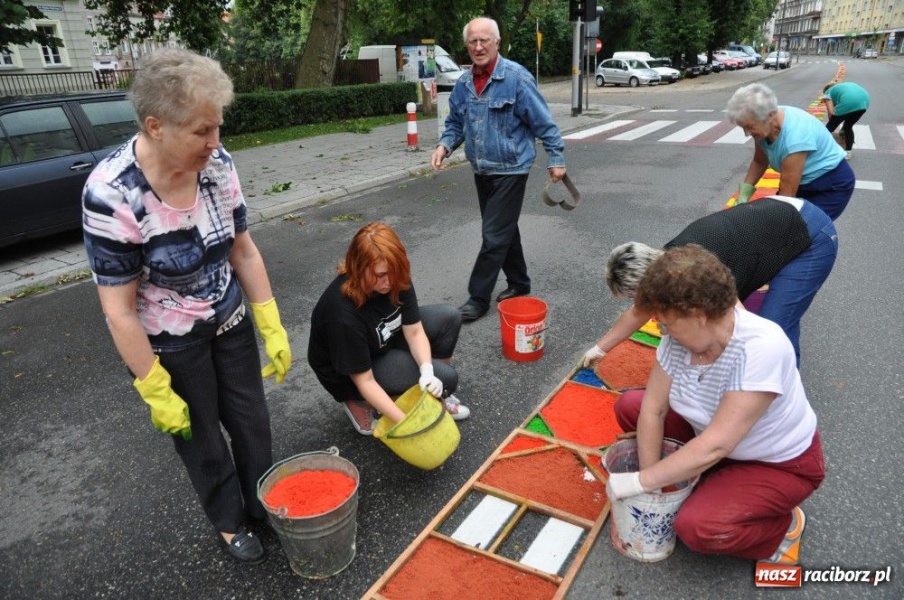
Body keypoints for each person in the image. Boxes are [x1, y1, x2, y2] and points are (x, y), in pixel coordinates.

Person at [82, 48, 292, 565]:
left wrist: (270, 319)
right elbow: (120, 310)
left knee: (251, 422)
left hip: (228, 314)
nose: (215, 143)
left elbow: (242, 248)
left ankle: (262, 506)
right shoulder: (111, 195)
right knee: (202, 439)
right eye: (201, 131)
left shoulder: (217, 167)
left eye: (217, 127)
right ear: (156, 126)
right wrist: (153, 384)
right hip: (170, 340)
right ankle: (229, 522)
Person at [605, 245, 825, 564]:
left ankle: (780, 527)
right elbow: (654, 409)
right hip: (716, 440)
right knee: (633, 407)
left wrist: (640, 481)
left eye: (667, 323)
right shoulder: (680, 339)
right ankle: (706, 481)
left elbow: (715, 445)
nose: (662, 331)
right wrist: (653, 490)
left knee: (698, 528)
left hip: (775, 464)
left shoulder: (761, 348)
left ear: (700, 315)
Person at [583, 196, 837, 365]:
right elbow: (638, 311)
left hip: (810, 234)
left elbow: (739, 325)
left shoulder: (700, 272)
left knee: (774, 329)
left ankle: (780, 399)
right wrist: (599, 349)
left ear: (651, 282)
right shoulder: (665, 260)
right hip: (774, 217)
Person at [430, 16, 566, 322]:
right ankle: (519, 282)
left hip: (511, 168)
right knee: (504, 230)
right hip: (482, 169)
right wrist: (444, 146)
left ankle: (478, 298)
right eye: (472, 42)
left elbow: (544, 122)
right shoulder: (464, 84)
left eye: (484, 40)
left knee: (493, 235)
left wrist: (556, 158)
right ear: (466, 45)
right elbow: (454, 123)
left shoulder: (516, 78)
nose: (478, 47)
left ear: (497, 42)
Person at [308, 222, 470, 435]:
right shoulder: (342, 313)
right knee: (448, 377)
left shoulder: (395, 275)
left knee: (449, 318)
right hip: (350, 373)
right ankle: (358, 401)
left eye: (394, 272)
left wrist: (427, 372)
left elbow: (414, 331)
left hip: (381, 341)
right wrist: (408, 424)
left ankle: (429, 395)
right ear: (358, 268)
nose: (390, 282)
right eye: (381, 275)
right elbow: (365, 381)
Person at [726, 82, 855, 220]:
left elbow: (787, 195)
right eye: (743, 127)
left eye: (750, 127)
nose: (747, 133)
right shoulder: (764, 124)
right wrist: (744, 193)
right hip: (803, 183)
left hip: (830, 186)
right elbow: (759, 161)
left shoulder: (795, 137)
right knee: (781, 226)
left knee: (801, 231)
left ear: (770, 116)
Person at [821, 81, 871, 160]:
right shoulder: (841, 87)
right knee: (848, 127)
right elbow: (847, 112)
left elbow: (831, 112)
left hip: (848, 101)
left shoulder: (827, 93)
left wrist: (831, 124)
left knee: (828, 129)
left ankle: (820, 151)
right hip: (864, 102)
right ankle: (848, 153)